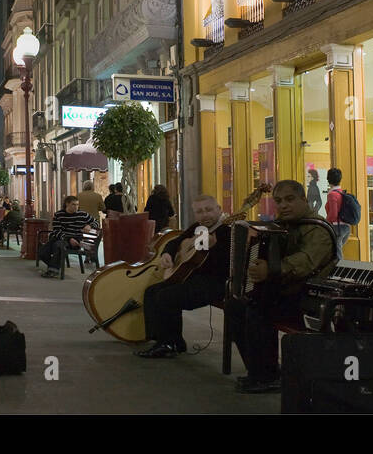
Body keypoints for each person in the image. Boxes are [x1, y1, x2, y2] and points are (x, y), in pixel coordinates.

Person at [224, 180, 337, 394]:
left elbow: (306, 262)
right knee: (236, 305)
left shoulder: (317, 228)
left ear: (304, 200)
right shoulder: (281, 226)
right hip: (285, 293)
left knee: (257, 310)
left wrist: (272, 269)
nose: (283, 205)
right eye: (278, 201)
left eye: (290, 199)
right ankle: (261, 370)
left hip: (310, 298)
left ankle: (267, 376)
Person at [135, 194, 232, 358]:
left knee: (166, 296)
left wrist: (214, 248)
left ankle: (168, 343)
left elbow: (226, 263)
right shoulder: (197, 228)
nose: (205, 215)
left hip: (215, 283)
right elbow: (175, 242)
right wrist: (167, 254)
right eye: (199, 212)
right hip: (191, 278)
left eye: (209, 210)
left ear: (219, 209)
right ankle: (166, 340)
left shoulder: (227, 231)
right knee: (151, 291)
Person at [37, 195, 94, 278]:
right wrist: (68, 238)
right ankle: (56, 266)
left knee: (58, 246)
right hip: (61, 238)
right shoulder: (59, 215)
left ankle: (53, 270)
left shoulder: (83, 214)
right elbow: (56, 230)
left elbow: (96, 222)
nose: (76, 207)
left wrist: (89, 225)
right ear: (67, 204)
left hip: (75, 240)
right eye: (73, 204)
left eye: (77, 205)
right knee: (42, 253)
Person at [323, 167, 349, 250]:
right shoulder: (342, 192)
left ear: (328, 179)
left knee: (337, 254)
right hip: (346, 227)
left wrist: (325, 223)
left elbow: (333, 214)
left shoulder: (332, 195)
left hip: (337, 227)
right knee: (337, 250)